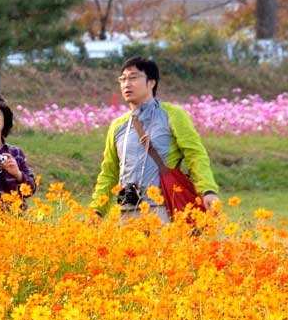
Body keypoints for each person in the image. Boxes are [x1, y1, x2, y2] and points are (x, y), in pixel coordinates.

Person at [92, 56, 220, 223]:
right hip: (126, 211)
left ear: (151, 82)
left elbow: (196, 156)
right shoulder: (118, 125)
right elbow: (109, 172)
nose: (126, 84)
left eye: (133, 77)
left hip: (163, 208)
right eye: (122, 79)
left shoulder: (173, 115)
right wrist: (96, 211)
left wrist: (207, 190)